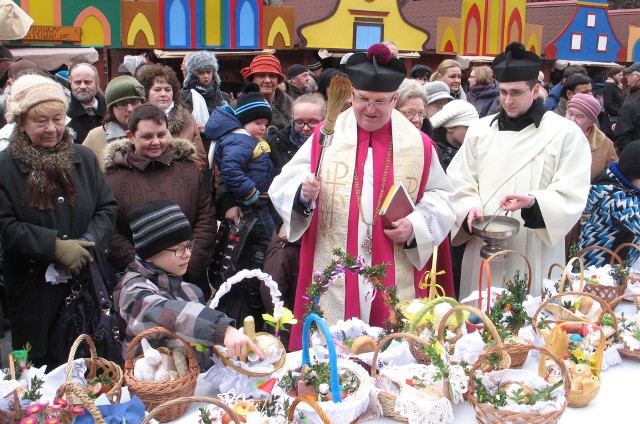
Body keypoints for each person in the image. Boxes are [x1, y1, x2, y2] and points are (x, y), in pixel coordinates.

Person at [270, 43, 456, 350]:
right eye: (363, 99)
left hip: (395, 262)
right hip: (334, 264)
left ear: (395, 99)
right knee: (334, 350)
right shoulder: (325, 136)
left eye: (381, 101)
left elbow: (441, 198)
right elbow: (283, 184)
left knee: (392, 350)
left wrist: (415, 225)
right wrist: (303, 193)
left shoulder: (419, 145)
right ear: (351, 95)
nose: (370, 109)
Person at [447, 42, 592, 298]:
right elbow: (459, 180)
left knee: (528, 321)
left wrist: (536, 203)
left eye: (516, 92)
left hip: (534, 244)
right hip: (482, 241)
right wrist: (468, 208)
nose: (507, 100)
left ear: (535, 90)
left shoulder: (564, 133)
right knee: (477, 320)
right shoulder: (480, 131)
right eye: (502, 92)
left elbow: (573, 190)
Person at [0, 74, 117, 368]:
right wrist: (55, 247)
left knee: (90, 362)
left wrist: (86, 244)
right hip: (32, 293)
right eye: (41, 121)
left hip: (85, 284)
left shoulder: (84, 158)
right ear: (21, 123)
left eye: (57, 118)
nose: (52, 128)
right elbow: (7, 226)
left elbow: (106, 207)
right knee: (37, 371)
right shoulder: (5, 167)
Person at [113, 200, 262, 359]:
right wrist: (220, 329)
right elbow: (163, 312)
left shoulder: (191, 291)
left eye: (188, 245)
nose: (187, 254)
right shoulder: (132, 290)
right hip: (152, 382)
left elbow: (201, 349)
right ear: (149, 255)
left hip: (192, 381)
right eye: (178, 249)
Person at [105, 104, 216, 299]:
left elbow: (206, 216)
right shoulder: (113, 179)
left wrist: (190, 260)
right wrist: (140, 266)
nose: (156, 142)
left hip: (189, 278)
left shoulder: (189, 170)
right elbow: (111, 231)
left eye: (161, 135)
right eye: (147, 137)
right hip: (140, 286)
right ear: (131, 136)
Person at [261, 94, 326, 348]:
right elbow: (272, 187)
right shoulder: (275, 143)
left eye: (312, 122)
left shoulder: (336, 144)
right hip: (288, 230)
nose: (306, 129)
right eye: (299, 122)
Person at [578, 140, 640, 267]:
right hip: (597, 272)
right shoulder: (615, 199)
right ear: (631, 175)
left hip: (619, 271)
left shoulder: (632, 191)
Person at [135, 63, 206, 161]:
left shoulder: (188, 120)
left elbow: (200, 158)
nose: (163, 94)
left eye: (168, 89)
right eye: (157, 90)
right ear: (146, 92)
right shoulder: (136, 118)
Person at [83, 76, 146, 170]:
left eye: (134, 102)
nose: (130, 109)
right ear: (111, 109)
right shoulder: (95, 137)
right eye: (122, 104)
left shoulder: (158, 131)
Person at [565, 93, 617, 182]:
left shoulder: (606, 145)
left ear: (591, 121)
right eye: (570, 114)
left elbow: (611, 179)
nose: (572, 120)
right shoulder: (552, 135)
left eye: (579, 116)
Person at [240, 55, 293, 131]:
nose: (267, 80)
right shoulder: (240, 108)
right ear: (252, 80)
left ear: (278, 80)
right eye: (261, 76)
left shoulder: (291, 105)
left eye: (272, 76)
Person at [430, 100, 479, 172]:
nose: (473, 131)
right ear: (450, 127)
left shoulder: (473, 149)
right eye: (468, 127)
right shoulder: (434, 155)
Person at [180, 51, 231, 116]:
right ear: (193, 74)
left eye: (208, 72)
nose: (206, 76)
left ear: (213, 74)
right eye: (201, 72)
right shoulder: (183, 96)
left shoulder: (223, 97)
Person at [67, 62, 107, 144]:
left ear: (97, 84)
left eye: (87, 82)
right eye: (77, 82)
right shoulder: (64, 116)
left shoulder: (112, 111)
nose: (82, 87)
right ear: (70, 84)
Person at [601, 66, 624, 138]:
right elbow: (608, 104)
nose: (622, 77)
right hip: (610, 119)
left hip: (616, 118)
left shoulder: (617, 86)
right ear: (614, 75)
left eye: (622, 75)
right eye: (620, 75)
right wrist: (620, 112)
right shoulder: (609, 86)